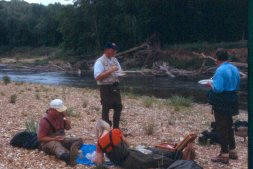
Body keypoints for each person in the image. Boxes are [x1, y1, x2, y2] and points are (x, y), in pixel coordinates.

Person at [93, 120, 197, 169]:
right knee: (153, 158)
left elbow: (99, 162)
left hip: (123, 164)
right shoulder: (115, 132)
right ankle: (180, 160)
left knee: (152, 156)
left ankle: (180, 158)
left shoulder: (99, 144)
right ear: (106, 127)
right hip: (131, 156)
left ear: (98, 131)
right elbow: (127, 144)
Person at [206, 49, 240, 164]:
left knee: (221, 127)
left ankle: (224, 155)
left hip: (222, 101)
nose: (215, 61)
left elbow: (218, 89)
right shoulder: (234, 68)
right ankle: (233, 151)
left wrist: (211, 84)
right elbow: (237, 84)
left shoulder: (220, 70)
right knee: (229, 125)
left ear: (217, 59)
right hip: (232, 99)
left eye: (215, 58)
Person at [37, 99, 83, 166]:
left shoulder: (61, 115)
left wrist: (68, 122)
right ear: (52, 109)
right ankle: (68, 156)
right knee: (63, 154)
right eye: (59, 110)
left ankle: (71, 154)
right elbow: (40, 138)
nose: (61, 111)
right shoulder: (45, 121)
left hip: (60, 139)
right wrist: (54, 139)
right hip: (49, 142)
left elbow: (67, 128)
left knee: (79, 140)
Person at [94, 43, 123, 129]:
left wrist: (121, 75)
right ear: (106, 50)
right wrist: (111, 70)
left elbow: (119, 72)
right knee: (106, 108)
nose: (115, 51)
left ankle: (116, 129)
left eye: (115, 50)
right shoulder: (99, 62)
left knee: (118, 107)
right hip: (105, 88)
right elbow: (97, 77)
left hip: (115, 86)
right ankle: (105, 129)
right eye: (112, 50)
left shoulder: (115, 60)